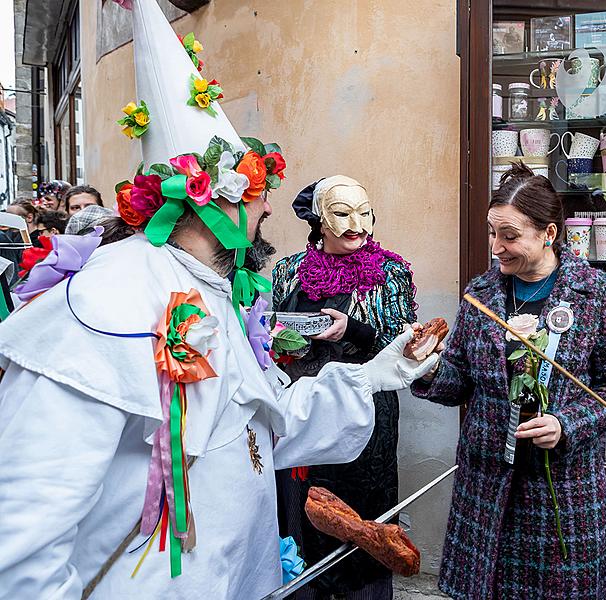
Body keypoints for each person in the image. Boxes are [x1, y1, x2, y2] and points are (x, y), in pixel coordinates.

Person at [0, 0, 439, 597]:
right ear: (210, 200)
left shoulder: (214, 292)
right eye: (260, 192)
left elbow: (263, 430)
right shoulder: (106, 303)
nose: (268, 210)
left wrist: (375, 374)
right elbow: (24, 534)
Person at [411, 163, 606, 599]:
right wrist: (426, 366)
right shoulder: (481, 294)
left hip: (563, 494)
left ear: (548, 233)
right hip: (487, 493)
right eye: (492, 233)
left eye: (510, 236)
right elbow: (458, 381)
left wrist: (566, 424)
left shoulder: (596, 293)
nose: (496, 246)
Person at [271, 176, 417, 599]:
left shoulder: (391, 271)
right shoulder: (288, 270)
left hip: (367, 407)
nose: (356, 223)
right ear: (319, 219)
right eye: (341, 212)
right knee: (303, 506)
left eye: (363, 211)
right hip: (304, 405)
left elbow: (403, 346)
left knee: (363, 513)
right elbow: (277, 333)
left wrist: (351, 330)